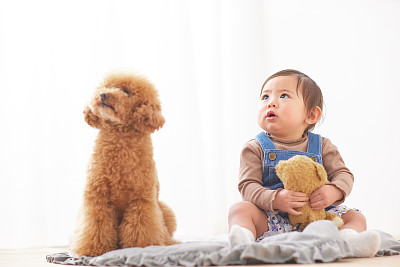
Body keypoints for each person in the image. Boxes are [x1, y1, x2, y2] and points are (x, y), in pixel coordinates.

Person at [228, 69, 381, 257]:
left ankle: (347, 242)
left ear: (311, 115)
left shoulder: (322, 145)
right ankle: (243, 241)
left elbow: (344, 174)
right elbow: (247, 186)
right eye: (265, 96)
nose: (271, 102)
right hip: (273, 220)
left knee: (356, 216)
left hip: (319, 218)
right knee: (240, 209)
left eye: (283, 95)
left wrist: (333, 191)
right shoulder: (254, 148)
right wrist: (275, 198)